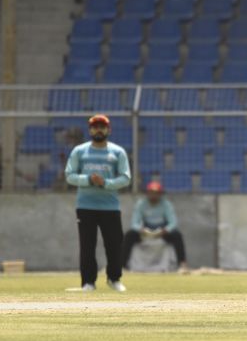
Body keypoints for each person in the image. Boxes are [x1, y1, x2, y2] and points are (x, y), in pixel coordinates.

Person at [64, 114, 131, 292]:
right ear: (90, 130)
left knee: (114, 245)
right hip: (86, 206)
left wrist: (105, 183)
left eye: (102, 127)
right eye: (95, 127)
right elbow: (69, 176)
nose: (98, 130)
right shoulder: (80, 151)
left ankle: (114, 279)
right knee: (87, 246)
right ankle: (88, 282)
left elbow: (125, 178)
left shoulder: (117, 152)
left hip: (110, 206)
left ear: (109, 130)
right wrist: (88, 180)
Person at [122, 181, 188, 272]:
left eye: (156, 193)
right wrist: (141, 230)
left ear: (160, 194)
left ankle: (182, 264)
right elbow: (134, 223)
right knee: (129, 235)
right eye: (151, 193)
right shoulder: (141, 204)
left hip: (162, 232)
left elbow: (173, 222)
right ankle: (122, 265)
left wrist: (165, 230)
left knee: (177, 235)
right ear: (147, 193)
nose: (154, 195)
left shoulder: (166, 205)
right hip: (145, 232)